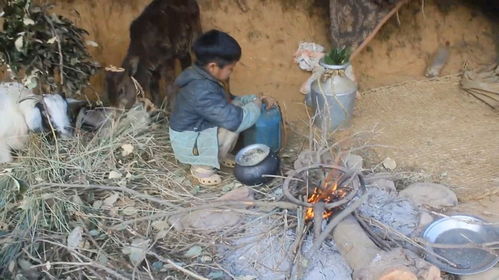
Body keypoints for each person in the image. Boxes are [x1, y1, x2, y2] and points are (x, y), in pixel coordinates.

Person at [169, 29, 276, 186]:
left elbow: (229, 100)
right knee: (234, 122)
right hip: (190, 143)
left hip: (196, 131)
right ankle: (201, 168)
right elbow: (237, 120)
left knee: (236, 108)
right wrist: (257, 105)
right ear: (213, 66)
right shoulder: (201, 90)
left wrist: (254, 98)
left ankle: (219, 155)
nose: (231, 71)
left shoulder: (201, 76)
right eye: (230, 68)